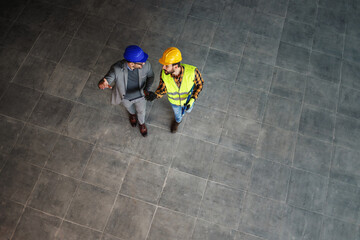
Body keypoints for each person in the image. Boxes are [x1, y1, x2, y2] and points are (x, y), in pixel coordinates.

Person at [98, 45, 154, 137]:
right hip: (125, 97)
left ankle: (142, 123)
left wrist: (146, 89)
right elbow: (105, 81)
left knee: (141, 111)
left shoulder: (146, 64)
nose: (143, 63)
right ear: (132, 64)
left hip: (141, 96)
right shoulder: (116, 68)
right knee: (129, 108)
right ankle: (132, 115)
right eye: (140, 63)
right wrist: (102, 84)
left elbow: (151, 76)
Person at [145, 47, 204, 133]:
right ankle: (177, 122)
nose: (163, 67)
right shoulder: (164, 74)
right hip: (174, 102)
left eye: (166, 65)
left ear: (175, 66)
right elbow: (163, 89)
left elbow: (200, 85)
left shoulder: (193, 72)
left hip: (188, 101)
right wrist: (155, 95)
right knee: (178, 115)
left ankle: (183, 114)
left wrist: (192, 100)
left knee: (188, 110)